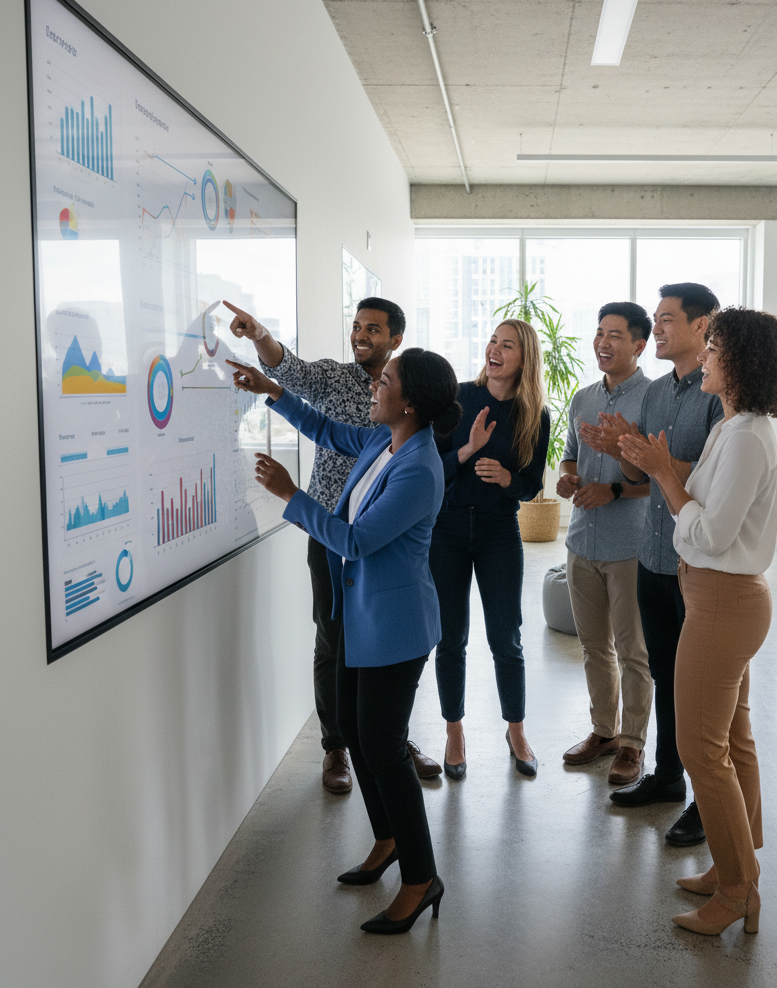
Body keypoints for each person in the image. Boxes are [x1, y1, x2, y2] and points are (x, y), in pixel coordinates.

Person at [226, 348, 462, 935]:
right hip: (359, 615)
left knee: (383, 747)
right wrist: (271, 391)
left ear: (408, 402)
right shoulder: (386, 444)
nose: (373, 387)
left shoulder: (418, 469)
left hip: (396, 627)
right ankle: (386, 840)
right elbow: (328, 430)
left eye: (384, 381)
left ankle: (421, 877)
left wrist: (290, 494)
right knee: (356, 734)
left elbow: (355, 541)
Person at [617, 307, 777, 935]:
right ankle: (738, 866)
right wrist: (658, 463)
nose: (706, 354)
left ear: (740, 362)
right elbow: (703, 491)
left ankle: (736, 889)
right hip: (719, 599)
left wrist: (667, 476)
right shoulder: (734, 427)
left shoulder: (746, 435)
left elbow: (712, 530)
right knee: (734, 738)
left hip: (723, 601)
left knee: (703, 748)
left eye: (715, 345)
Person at [225, 299, 441, 792]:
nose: (361, 335)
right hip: (328, 537)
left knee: (377, 660)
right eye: (357, 326)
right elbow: (305, 396)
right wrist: (268, 377)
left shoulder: (408, 431)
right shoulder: (355, 404)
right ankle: (340, 746)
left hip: (368, 549)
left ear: (396, 342)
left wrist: (288, 493)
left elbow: (364, 536)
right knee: (334, 642)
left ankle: (385, 741)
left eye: (374, 329)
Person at [579, 283, 723, 848]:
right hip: (655, 556)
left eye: (666, 320)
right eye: (656, 319)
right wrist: (624, 453)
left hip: (700, 563)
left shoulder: (719, 394)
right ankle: (667, 778)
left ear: (702, 326)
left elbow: (712, 481)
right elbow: (646, 480)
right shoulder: (659, 395)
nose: (657, 329)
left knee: (704, 693)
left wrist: (651, 460)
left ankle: (708, 804)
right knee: (665, 676)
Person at [431, 319, 550, 779]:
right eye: (493, 341)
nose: (494, 350)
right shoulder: (457, 399)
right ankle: (454, 730)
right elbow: (432, 469)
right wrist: (467, 451)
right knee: (450, 637)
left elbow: (532, 483)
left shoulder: (533, 412)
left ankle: (515, 730)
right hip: (447, 528)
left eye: (508, 345)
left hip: (500, 531)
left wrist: (508, 481)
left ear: (525, 358)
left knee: (506, 637)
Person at [556, 302, 653, 786]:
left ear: (639, 345)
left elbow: (661, 480)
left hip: (631, 546)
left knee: (633, 650)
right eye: (598, 333)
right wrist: (568, 481)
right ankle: (604, 732)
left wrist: (614, 487)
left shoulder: (654, 400)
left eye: (615, 334)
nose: (603, 342)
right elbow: (569, 458)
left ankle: (633, 745)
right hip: (580, 544)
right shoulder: (583, 398)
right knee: (594, 648)